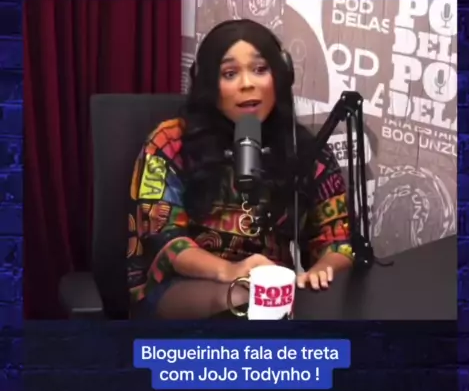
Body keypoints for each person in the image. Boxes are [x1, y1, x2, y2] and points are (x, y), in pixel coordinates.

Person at [127, 19, 353, 320]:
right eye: (230, 73)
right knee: (242, 300)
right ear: (209, 84)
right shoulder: (170, 142)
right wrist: (230, 270)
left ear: (280, 76)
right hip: (183, 286)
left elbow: (337, 242)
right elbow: (165, 240)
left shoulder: (306, 151)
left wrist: (323, 269)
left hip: (270, 294)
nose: (247, 83)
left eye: (260, 69)